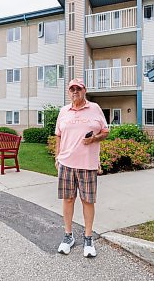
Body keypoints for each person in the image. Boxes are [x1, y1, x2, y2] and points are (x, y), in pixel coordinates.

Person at [54, 78, 109, 257]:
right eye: (72, 89)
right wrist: (57, 157)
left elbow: (105, 132)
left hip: (87, 164)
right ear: (68, 92)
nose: (75, 91)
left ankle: (88, 237)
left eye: (78, 88)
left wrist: (93, 139)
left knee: (88, 201)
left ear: (84, 90)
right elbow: (58, 136)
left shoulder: (95, 108)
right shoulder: (63, 111)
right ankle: (68, 236)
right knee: (68, 199)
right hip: (66, 163)